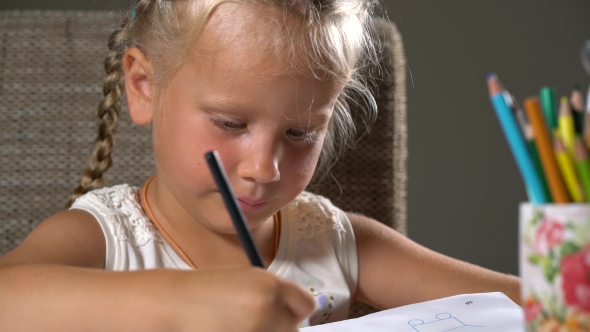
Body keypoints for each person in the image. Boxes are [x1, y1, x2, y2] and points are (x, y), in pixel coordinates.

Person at [0, 0, 520, 330]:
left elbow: (527, 306)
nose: (265, 167)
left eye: (300, 134)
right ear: (144, 88)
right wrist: (183, 303)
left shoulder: (334, 243)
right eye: (229, 123)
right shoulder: (105, 237)